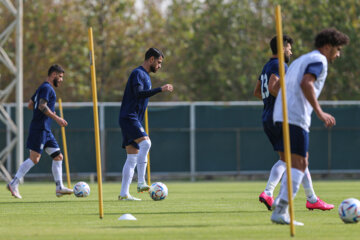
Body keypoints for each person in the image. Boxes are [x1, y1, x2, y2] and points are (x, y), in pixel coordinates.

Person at [270, 28, 349, 225]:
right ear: (328, 47)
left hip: (282, 114)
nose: (338, 55)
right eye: (337, 49)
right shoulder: (319, 60)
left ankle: (283, 208)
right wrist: (320, 112)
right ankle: (281, 211)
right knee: (299, 164)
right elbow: (307, 83)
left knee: (300, 161)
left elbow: (279, 86)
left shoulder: (300, 60)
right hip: (295, 116)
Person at [254, 36, 334, 212]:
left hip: (268, 114)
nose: (291, 51)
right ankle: (270, 193)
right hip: (281, 116)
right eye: (289, 48)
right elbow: (275, 88)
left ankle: (310, 198)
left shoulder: (267, 66)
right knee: (295, 158)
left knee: (296, 158)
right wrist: (288, 98)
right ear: (282, 48)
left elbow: (258, 91)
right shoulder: (279, 65)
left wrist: (270, 101)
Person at [7, 64, 73, 199]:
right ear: (53, 74)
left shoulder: (41, 88)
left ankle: (59, 187)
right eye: (60, 77)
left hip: (45, 129)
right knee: (35, 158)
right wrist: (57, 118)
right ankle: (14, 183)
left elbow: (31, 105)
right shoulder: (47, 88)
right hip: (40, 129)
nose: (61, 80)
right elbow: (42, 106)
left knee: (58, 157)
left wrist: (46, 112)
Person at [118, 48, 173, 201]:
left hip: (132, 118)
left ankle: (124, 193)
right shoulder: (138, 73)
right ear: (151, 60)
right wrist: (160, 89)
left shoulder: (146, 76)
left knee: (131, 158)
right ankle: (141, 181)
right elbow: (138, 93)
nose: (160, 66)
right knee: (146, 143)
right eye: (159, 62)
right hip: (129, 117)